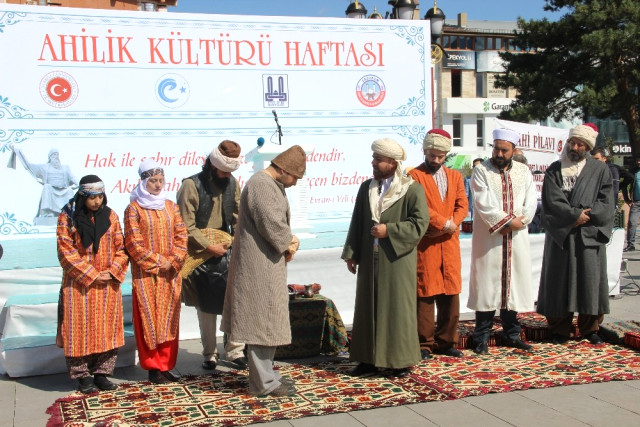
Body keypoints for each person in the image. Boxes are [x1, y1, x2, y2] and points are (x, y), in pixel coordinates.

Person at [221, 145, 306, 397]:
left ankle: (268, 376)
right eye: (295, 177)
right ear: (283, 169)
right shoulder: (262, 185)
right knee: (260, 323)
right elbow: (271, 223)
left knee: (267, 321)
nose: (295, 183)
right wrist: (289, 242)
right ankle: (263, 384)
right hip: (258, 266)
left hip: (265, 263)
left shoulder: (268, 184)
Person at [342, 138, 429, 378]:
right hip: (370, 259)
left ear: (392, 162)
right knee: (367, 308)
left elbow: (420, 224)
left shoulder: (411, 189)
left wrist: (388, 230)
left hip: (397, 260)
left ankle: (398, 361)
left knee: (396, 309)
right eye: (373, 159)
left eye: (378, 160)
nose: (373, 163)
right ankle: (367, 360)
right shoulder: (367, 188)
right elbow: (357, 222)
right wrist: (352, 254)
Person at [537, 124, 613, 345]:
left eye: (580, 144)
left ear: (588, 147)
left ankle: (590, 328)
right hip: (562, 235)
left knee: (590, 281)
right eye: (573, 142)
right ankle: (559, 329)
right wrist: (573, 216)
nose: (575, 147)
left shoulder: (600, 170)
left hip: (589, 234)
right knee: (559, 281)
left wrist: (585, 216)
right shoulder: (554, 169)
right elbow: (552, 201)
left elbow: (606, 201)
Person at [176, 141, 248, 370]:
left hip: (227, 251)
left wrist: (236, 243)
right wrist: (208, 246)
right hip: (200, 254)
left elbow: (239, 218)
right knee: (206, 306)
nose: (227, 175)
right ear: (212, 165)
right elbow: (184, 224)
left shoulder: (232, 182)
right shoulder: (191, 185)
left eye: (230, 172)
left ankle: (236, 351)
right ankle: (209, 354)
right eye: (223, 171)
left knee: (235, 302)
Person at [56, 175, 129, 394]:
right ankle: (82, 376)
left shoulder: (111, 216)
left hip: (108, 283)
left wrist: (112, 271)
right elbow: (65, 252)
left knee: (106, 328)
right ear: (82, 196)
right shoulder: (67, 217)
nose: (97, 202)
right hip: (79, 286)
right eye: (91, 197)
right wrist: (92, 274)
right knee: (79, 330)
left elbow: (121, 248)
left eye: (100, 196)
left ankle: (102, 374)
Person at [467, 129, 537, 354]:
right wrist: (507, 221)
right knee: (487, 285)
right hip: (490, 237)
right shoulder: (481, 171)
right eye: (496, 148)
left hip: (517, 237)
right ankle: (481, 337)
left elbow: (531, 200)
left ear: (513, 151)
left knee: (513, 285)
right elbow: (483, 202)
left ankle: (512, 334)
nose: (498, 153)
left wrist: (522, 220)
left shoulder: (524, 171)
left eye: (504, 150)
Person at [124, 159, 188, 384]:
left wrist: (174, 261)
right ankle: (153, 367)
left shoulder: (171, 206)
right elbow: (133, 244)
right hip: (146, 276)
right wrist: (160, 261)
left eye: (161, 180)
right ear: (143, 182)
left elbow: (182, 236)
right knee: (149, 319)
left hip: (170, 274)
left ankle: (167, 365)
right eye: (153, 181)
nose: (158, 185)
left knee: (170, 319)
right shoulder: (134, 209)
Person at [409, 129, 468, 359]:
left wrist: (454, 222)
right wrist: (445, 224)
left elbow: (463, 204)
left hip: (450, 244)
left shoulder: (455, 177)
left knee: (451, 294)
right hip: (427, 244)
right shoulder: (414, 176)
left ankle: (447, 342)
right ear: (424, 151)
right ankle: (424, 344)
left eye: (440, 156)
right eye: (432, 155)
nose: (435, 160)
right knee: (425, 292)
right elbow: (420, 208)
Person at [8, 144, 78, 224]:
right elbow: (29, 166)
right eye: (54, 154)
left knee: (69, 190)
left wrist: (79, 184)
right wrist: (18, 152)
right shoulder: (44, 167)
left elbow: (73, 178)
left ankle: (67, 212)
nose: (56, 156)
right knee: (47, 187)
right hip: (51, 189)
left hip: (64, 189)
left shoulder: (66, 167)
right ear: (50, 157)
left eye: (57, 154)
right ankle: (49, 212)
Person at [591, 147, 625, 212]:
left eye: (597, 159)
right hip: (593, 206)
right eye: (592, 159)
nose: (594, 161)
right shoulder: (590, 171)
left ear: (604, 159)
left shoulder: (612, 170)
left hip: (608, 206)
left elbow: (614, 189)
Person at [622, 157, 640, 252]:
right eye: (637, 160)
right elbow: (624, 185)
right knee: (632, 223)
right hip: (636, 202)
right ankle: (630, 244)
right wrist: (627, 199)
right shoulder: (633, 172)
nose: (638, 162)